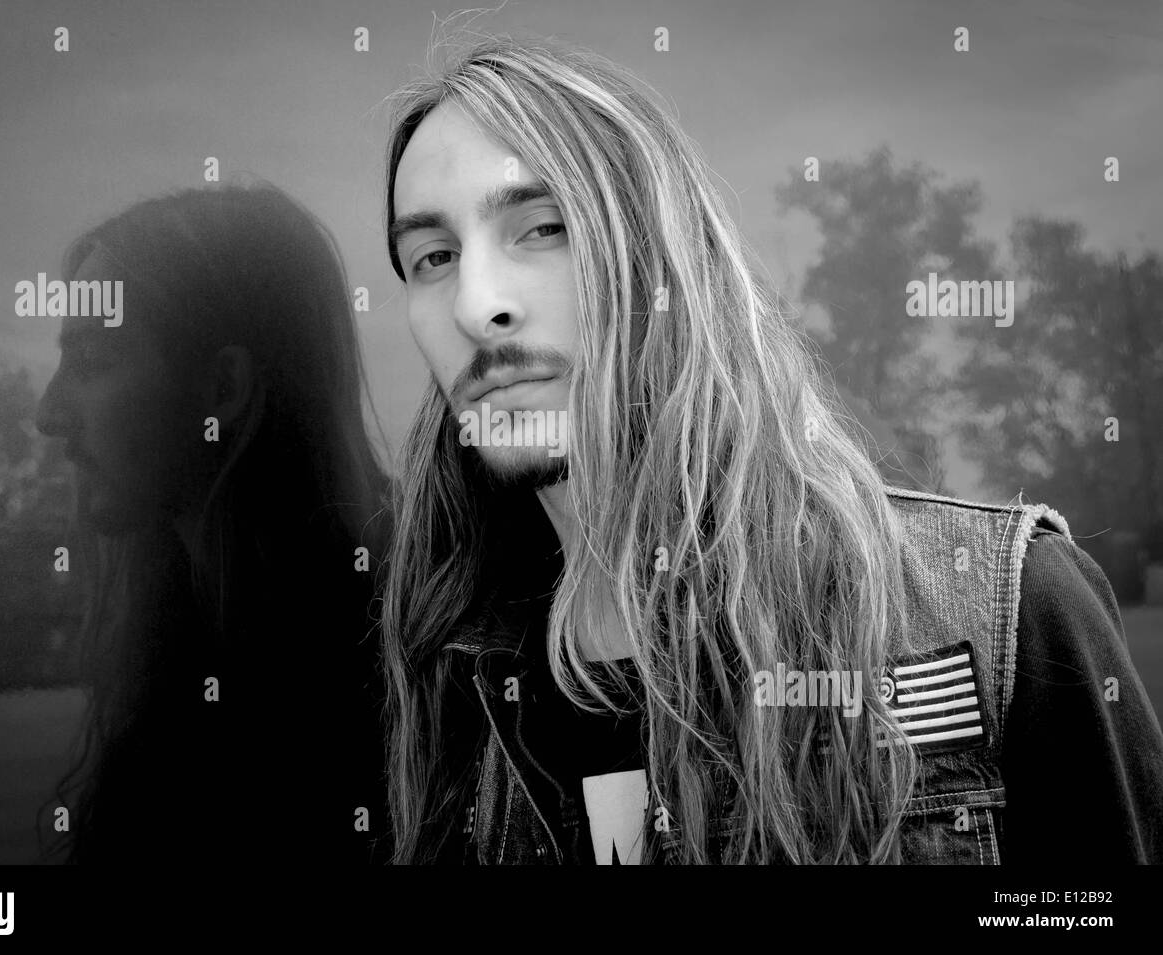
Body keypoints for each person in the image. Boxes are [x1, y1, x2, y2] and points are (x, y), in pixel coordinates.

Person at [376, 36, 1163, 864]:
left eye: (540, 228)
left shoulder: (1004, 607)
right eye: (433, 256)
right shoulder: (444, 675)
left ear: (659, 258)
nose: (476, 304)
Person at [35, 183, 391, 865]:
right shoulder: (184, 653)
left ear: (222, 389)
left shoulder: (389, 686)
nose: (48, 412)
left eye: (90, 361)